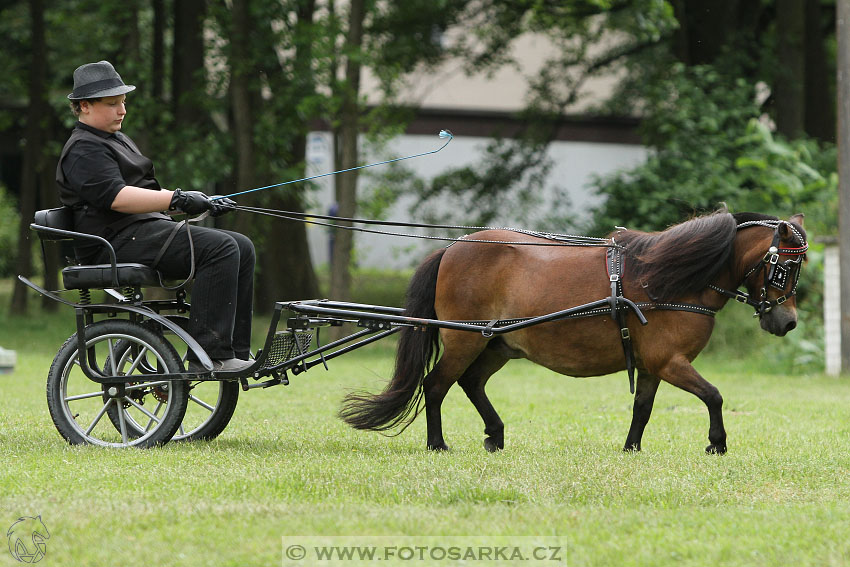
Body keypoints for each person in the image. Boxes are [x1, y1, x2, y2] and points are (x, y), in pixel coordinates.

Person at [56, 60, 254, 373]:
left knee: (241, 245)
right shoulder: (83, 148)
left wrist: (198, 202)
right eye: (112, 104)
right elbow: (117, 198)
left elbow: (146, 198)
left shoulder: (114, 139)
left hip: (142, 231)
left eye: (123, 102)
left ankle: (234, 352)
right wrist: (177, 197)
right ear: (84, 106)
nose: (122, 110)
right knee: (221, 247)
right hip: (113, 242)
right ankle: (210, 356)